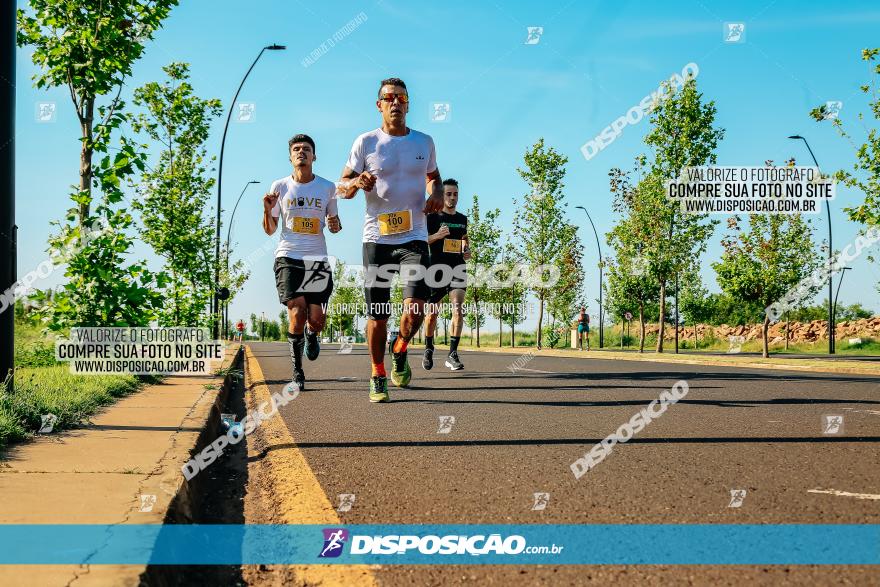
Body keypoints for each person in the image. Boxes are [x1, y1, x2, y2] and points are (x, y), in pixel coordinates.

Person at [337, 77, 443, 403]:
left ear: (408, 104)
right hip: (377, 239)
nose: (395, 102)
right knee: (378, 314)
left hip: (413, 236)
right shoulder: (365, 142)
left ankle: (399, 347)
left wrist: (436, 192)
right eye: (389, 98)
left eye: (401, 97)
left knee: (416, 308)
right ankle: (377, 373)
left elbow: (433, 177)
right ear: (379, 104)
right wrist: (356, 182)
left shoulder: (424, 142)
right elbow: (341, 186)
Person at [263, 133, 341, 390]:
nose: (301, 152)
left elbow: (335, 226)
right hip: (288, 256)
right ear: (290, 157)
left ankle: (311, 334)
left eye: (306, 149)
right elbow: (270, 229)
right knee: (296, 311)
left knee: (316, 318)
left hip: (316, 259)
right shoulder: (280, 186)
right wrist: (266, 209)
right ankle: (297, 371)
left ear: (314, 156)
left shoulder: (327, 187)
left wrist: (334, 223)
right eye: (296, 149)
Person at [423, 178, 470, 371]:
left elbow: (464, 240)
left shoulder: (462, 219)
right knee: (432, 314)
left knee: (458, 309)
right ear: (442, 196)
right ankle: (428, 348)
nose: (452, 197)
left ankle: (452, 354)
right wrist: (437, 236)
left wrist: (467, 250)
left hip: (458, 267)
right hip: (436, 270)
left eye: (455, 194)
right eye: (449, 194)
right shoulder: (432, 218)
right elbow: (421, 241)